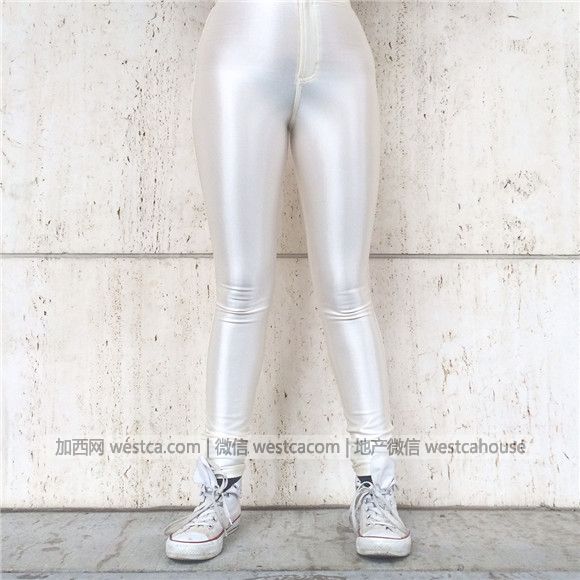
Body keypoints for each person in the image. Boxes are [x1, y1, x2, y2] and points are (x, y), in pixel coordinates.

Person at [164, 0, 411, 560]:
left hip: (340, 56)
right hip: (239, 55)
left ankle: (376, 487)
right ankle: (220, 487)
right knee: (241, 287)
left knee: (347, 288)